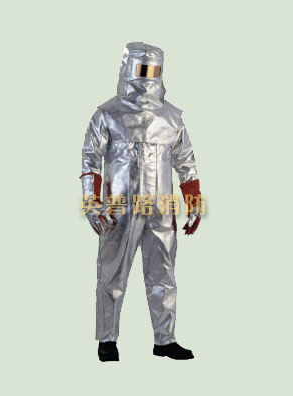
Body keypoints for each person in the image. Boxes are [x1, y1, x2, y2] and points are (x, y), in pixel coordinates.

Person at [80, 42, 202, 361]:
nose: (148, 76)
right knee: (112, 275)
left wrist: (193, 202)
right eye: (142, 69)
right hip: (118, 211)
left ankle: (165, 340)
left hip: (160, 210)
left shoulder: (171, 117)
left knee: (163, 275)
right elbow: (90, 159)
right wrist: (92, 204)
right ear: (128, 68)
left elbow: (185, 161)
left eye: (154, 70)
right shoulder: (108, 114)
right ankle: (107, 339)